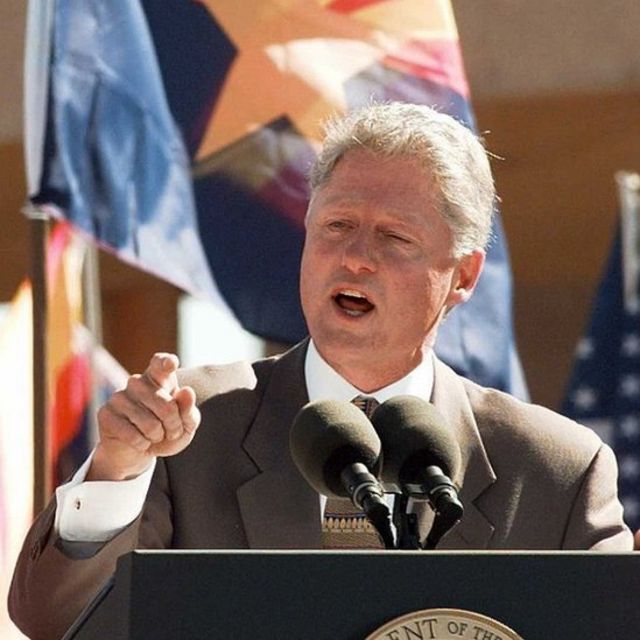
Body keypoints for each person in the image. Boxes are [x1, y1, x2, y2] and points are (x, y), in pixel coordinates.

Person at [9, 102, 633, 639]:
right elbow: (52, 621)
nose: (355, 258)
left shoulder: (557, 470)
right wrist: (119, 472)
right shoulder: (189, 427)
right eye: (336, 226)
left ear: (463, 276)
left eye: (393, 238)